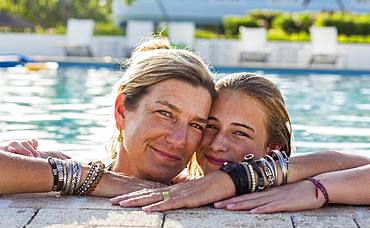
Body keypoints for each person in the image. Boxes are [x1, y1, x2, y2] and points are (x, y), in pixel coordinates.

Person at [110, 73, 370, 212]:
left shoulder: (289, 188)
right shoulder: (179, 183)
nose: (217, 144)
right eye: (210, 126)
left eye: (240, 133)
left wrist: (317, 189)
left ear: (274, 148)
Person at [0, 36, 216, 196]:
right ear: (121, 111)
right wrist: (88, 178)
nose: (179, 140)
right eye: (165, 113)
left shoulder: (207, 188)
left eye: (196, 125)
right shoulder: (73, 172)